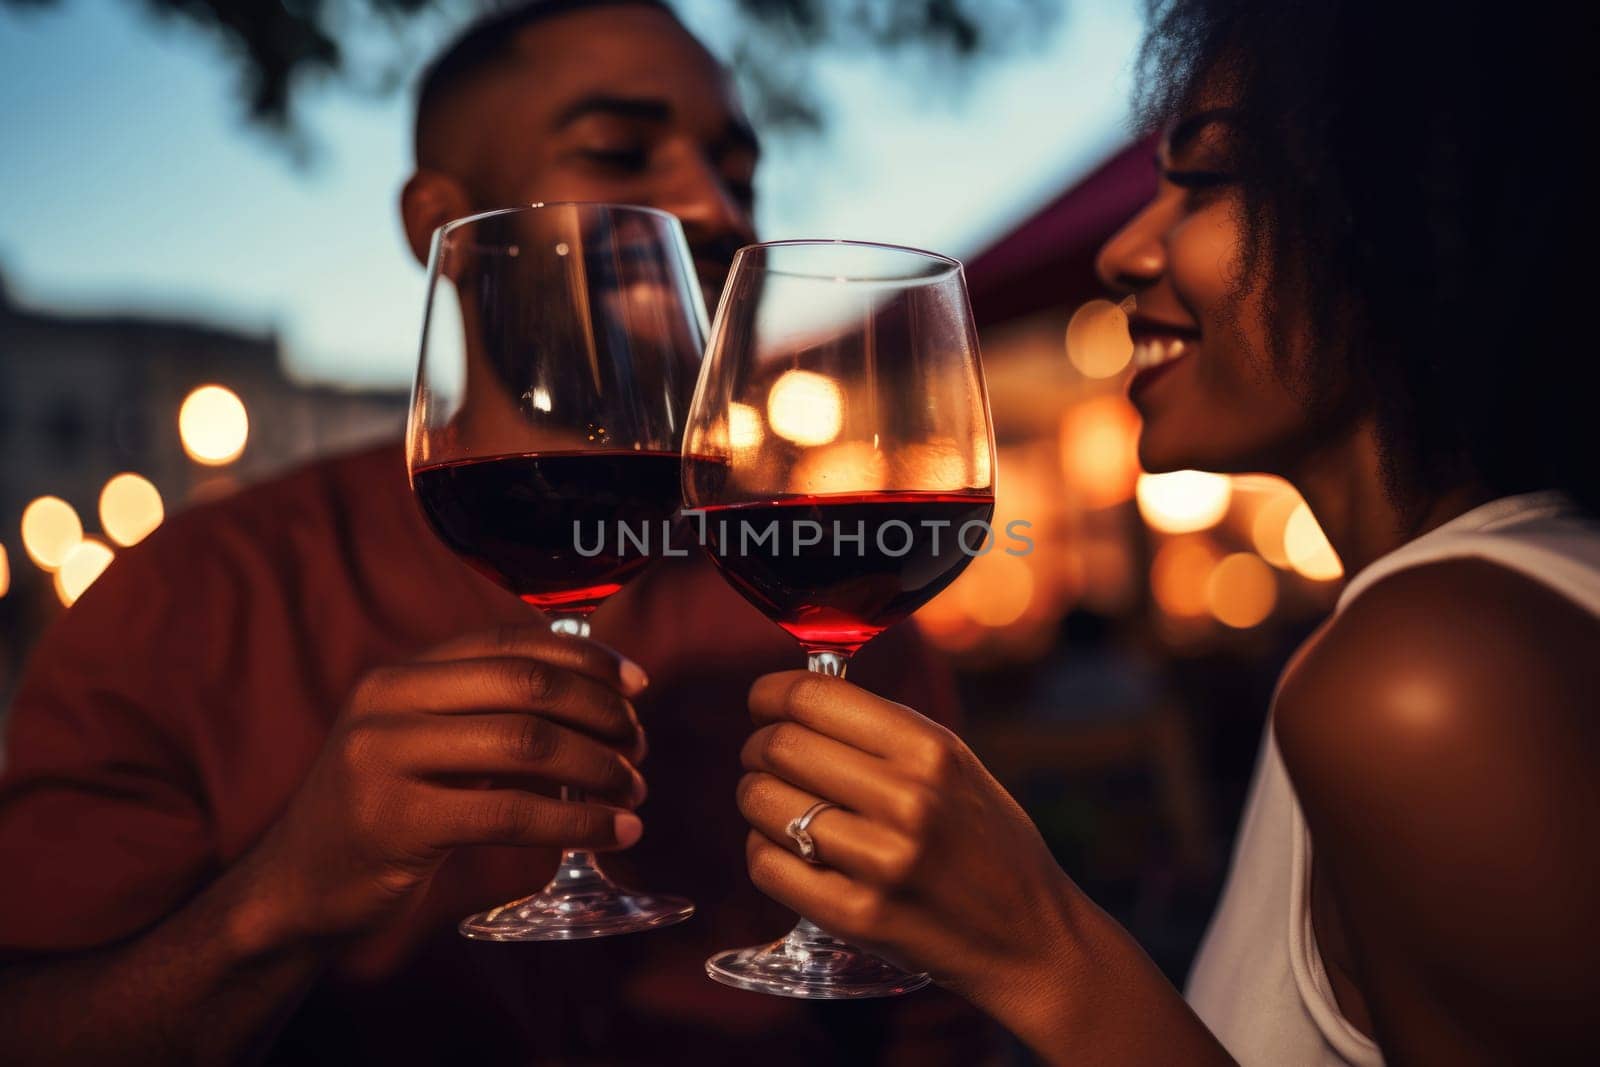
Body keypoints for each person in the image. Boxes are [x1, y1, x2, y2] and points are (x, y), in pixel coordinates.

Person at [0, 2, 998, 1063]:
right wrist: (281, 899)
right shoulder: (196, 598)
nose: (712, 207)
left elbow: (939, 1014)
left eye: (737, 173)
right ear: (439, 221)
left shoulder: (818, 592)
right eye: (619, 151)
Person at [731, 2, 1600, 1064]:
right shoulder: (1465, 611)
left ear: (1416, 203)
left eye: (1206, 179)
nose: (1122, 249)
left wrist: (1039, 946)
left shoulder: (1426, 677)